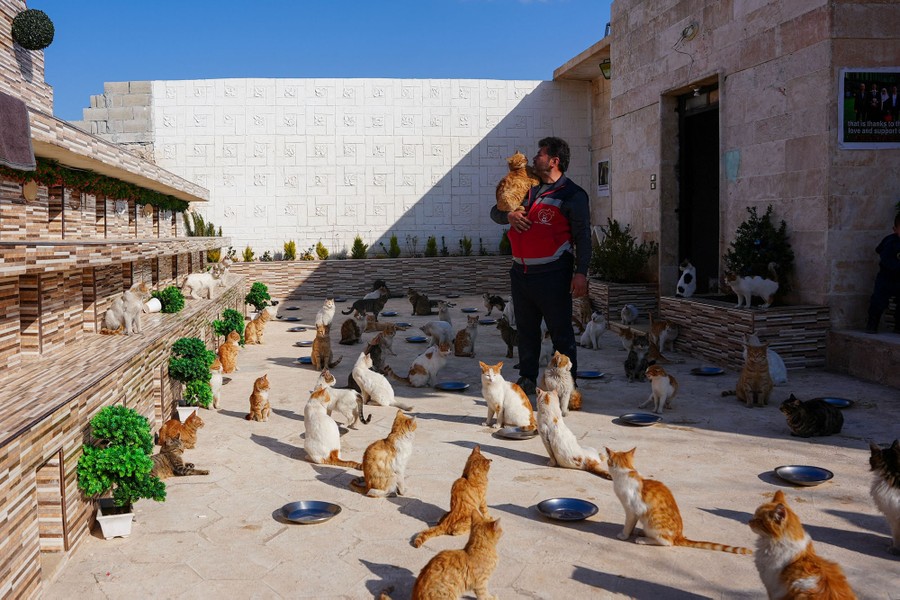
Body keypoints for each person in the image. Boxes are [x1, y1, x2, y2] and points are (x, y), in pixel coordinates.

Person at [490, 137, 591, 394]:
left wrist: (581, 273)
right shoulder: (527, 187)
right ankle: (527, 377)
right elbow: (494, 212)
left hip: (553, 274)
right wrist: (509, 216)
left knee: (560, 332)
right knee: (526, 330)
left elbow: (583, 237)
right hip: (521, 273)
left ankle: (569, 384)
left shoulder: (574, 195)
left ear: (554, 161)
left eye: (540, 154)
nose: (534, 158)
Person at [865, 213, 900, 334]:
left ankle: (898, 325)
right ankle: (872, 325)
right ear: (895, 229)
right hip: (886, 279)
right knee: (878, 302)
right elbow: (886, 259)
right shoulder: (891, 242)